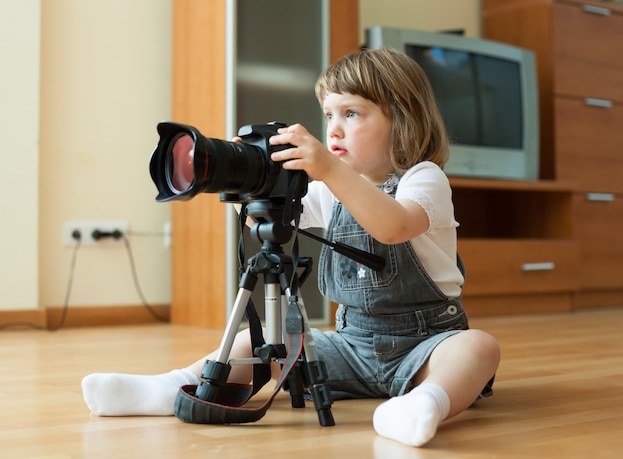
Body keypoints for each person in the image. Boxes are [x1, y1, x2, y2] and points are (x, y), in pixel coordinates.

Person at [82, 48, 500, 448]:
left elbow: (393, 226)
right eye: (329, 115)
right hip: (350, 347)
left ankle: (425, 403)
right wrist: (245, 173)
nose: (333, 129)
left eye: (351, 113)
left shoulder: (423, 179)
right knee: (258, 339)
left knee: (478, 347)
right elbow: (276, 215)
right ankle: (172, 386)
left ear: (402, 118)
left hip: (425, 346)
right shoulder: (331, 188)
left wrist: (331, 169)